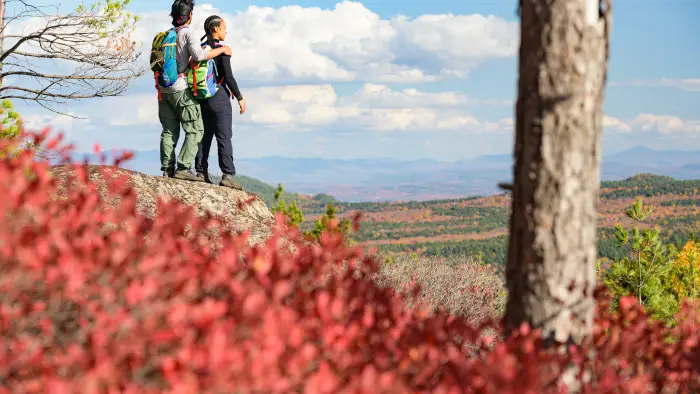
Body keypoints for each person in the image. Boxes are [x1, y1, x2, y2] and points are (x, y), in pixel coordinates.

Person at [157, 0, 232, 181]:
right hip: (181, 88)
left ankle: (167, 168)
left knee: (169, 130)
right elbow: (198, 56)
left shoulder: (166, 35)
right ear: (189, 15)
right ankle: (183, 167)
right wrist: (222, 50)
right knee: (196, 130)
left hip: (163, 90)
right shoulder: (187, 32)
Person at [194, 15, 247, 190]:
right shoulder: (222, 50)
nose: (226, 31)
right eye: (224, 27)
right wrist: (239, 98)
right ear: (215, 29)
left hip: (203, 97)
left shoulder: (202, 49)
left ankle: (201, 171)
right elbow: (229, 78)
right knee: (224, 136)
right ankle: (228, 175)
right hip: (219, 96)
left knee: (205, 136)